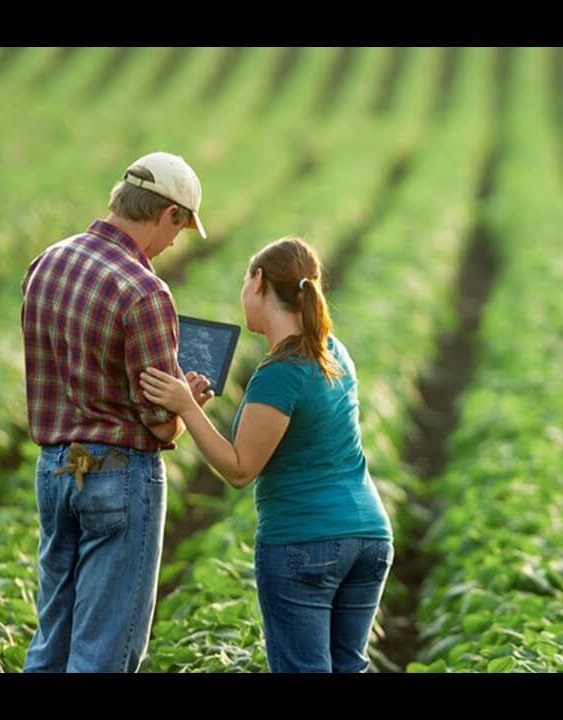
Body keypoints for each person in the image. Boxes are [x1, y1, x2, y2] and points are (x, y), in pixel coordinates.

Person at [139, 236, 394, 673]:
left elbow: (239, 469)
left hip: (306, 541)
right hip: (369, 537)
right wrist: (193, 406)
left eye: (244, 281)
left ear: (258, 282)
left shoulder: (280, 374)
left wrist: (184, 407)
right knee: (348, 665)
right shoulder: (334, 352)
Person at [21, 151, 214, 672]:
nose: (174, 243)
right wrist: (186, 404)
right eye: (179, 228)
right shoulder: (145, 291)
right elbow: (158, 420)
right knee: (105, 652)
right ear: (167, 214)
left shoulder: (48, 263)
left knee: (52, 641)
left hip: (55, 469)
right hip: (118, 477)